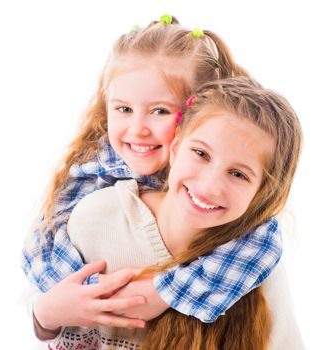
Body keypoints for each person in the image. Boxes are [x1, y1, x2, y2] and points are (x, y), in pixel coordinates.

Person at [22, 15, 282, 329]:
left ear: (197, 114)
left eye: (159, 111)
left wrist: (165, 292)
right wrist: (72, 299)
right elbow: (46, 236)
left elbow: (264, 239)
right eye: (123, 109)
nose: (137, 129)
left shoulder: (218, 194)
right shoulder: (102, 162)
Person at [32, 77, 303, 350]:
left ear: (262, 191)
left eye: (238, 174)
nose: (209, 186)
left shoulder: (252, 264)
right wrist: (45, 316)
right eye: (201, 154)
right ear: (175, 148)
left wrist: (166, 292)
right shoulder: (98, 219)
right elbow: (52, 316)